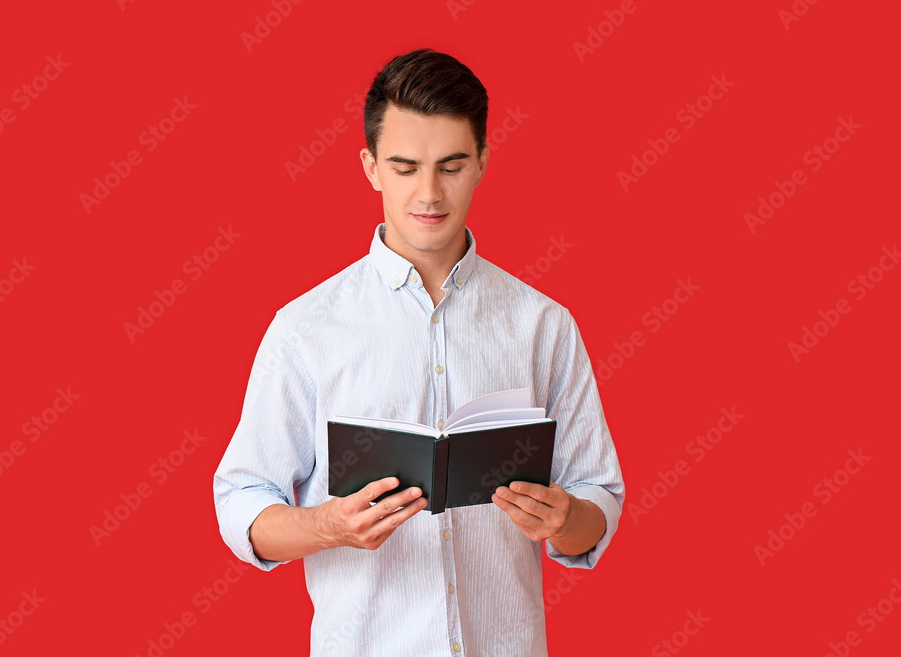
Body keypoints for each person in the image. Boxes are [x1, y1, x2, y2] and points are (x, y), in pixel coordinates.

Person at [213, 47, 625, 656]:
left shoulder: (544, 325)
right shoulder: (304, 329)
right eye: (405, 167)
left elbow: (599, 496)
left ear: (482, 162)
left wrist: (565, 519)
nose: (429, 193)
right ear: (370, 166)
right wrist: (326, 525)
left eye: (451, 166)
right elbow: (241, 504)